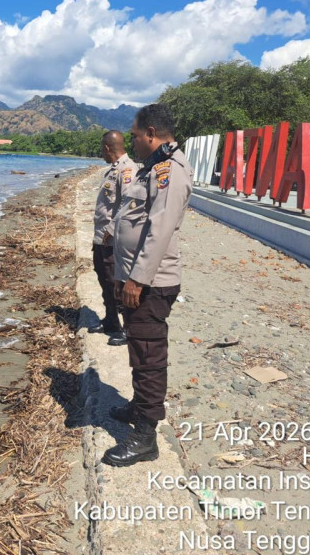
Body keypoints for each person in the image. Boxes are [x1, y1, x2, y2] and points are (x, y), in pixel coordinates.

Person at [102, 103, 193, 467]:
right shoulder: (154, 167)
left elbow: (159, 230)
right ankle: (140, 407)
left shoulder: (170, 171)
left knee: (148, 358)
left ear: (151, 133)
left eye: (137, 135)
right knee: (140, 350)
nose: (134, 141)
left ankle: (144, 437)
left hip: (150, 284)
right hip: (136, 278)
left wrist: (137, 280)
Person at [89, 130, 138, 346]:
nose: (101, 152)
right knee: (104, 280)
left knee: (116, 282)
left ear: (108, 148)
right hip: (101, 237)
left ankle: (129, 329)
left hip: (112, 238)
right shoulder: (113, 170)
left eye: (102, 148)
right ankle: (110, 321)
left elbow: (128, 203)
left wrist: (110, 228)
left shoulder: (127, 170)